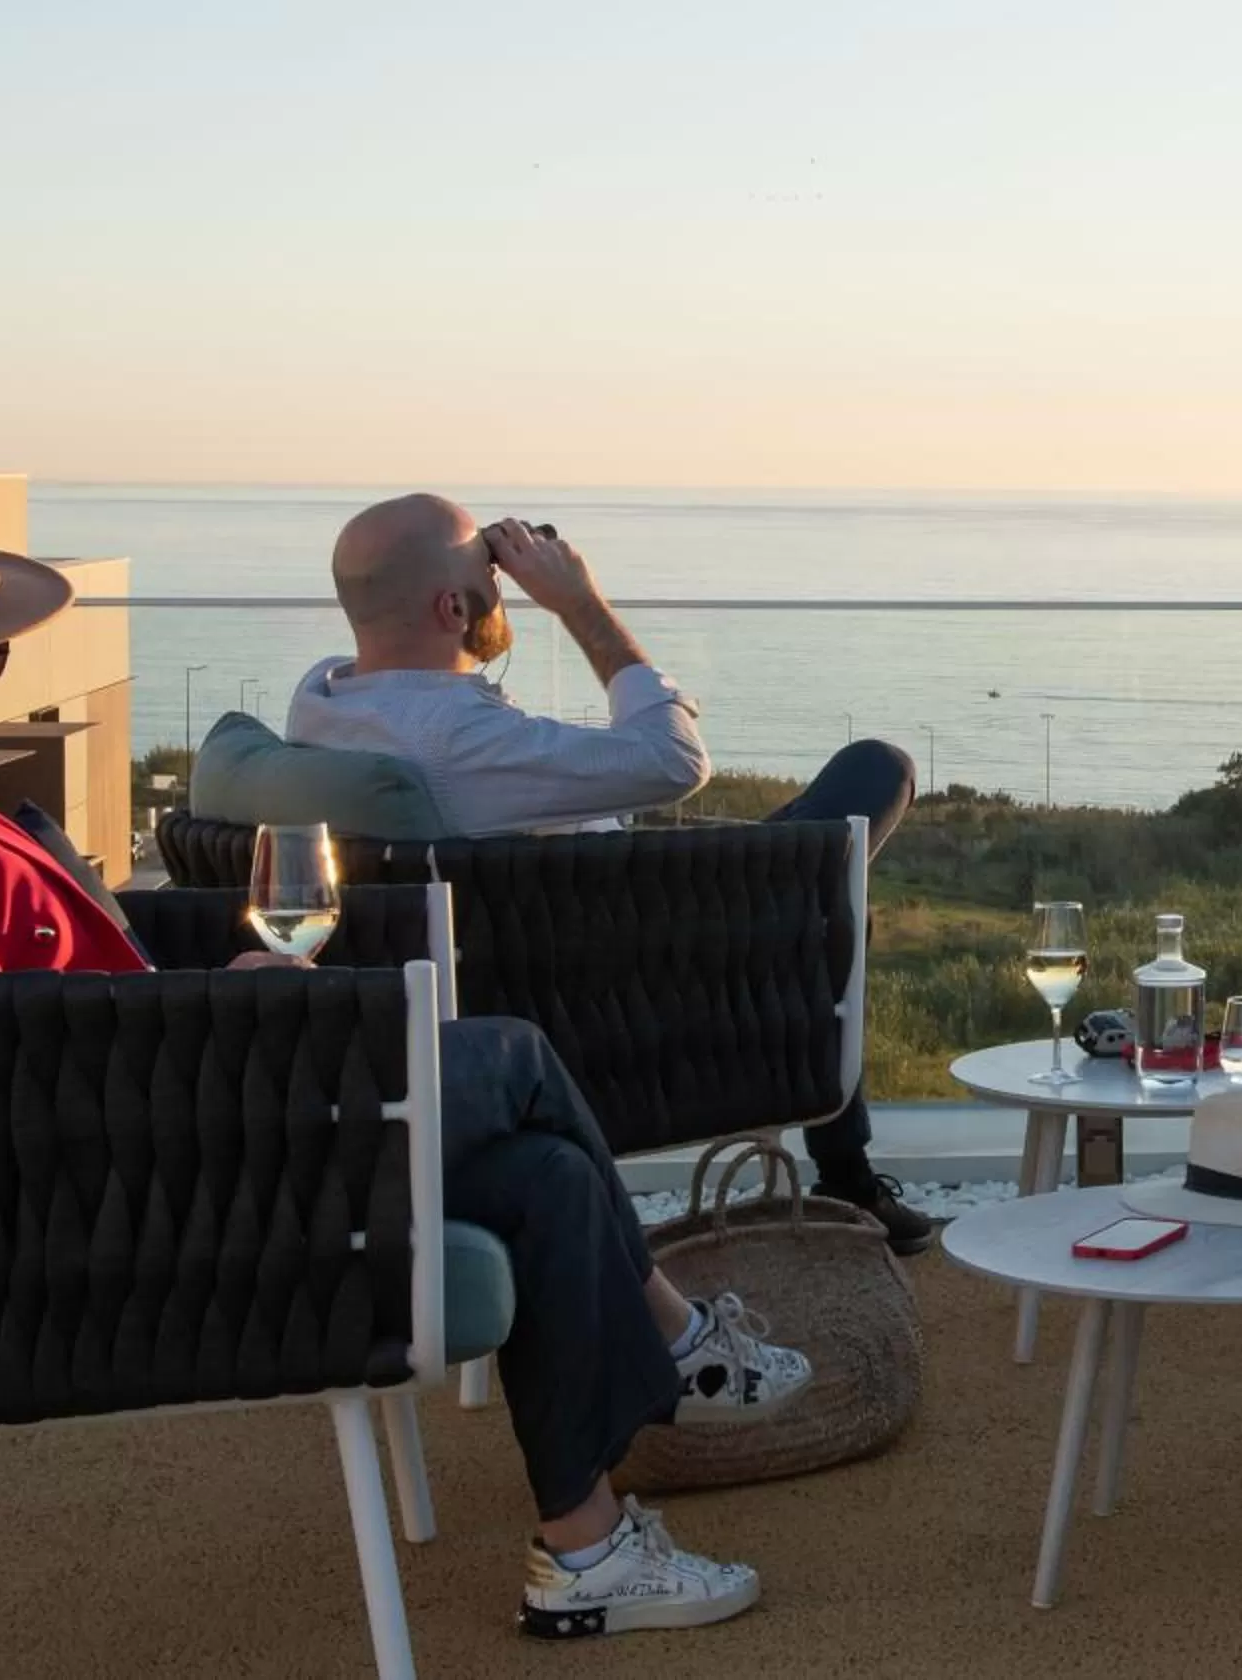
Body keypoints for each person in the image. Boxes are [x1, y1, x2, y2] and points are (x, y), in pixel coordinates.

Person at [0, 482, 805, 1640]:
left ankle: (587, 1551)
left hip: (165, 1110)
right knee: (514, 1057)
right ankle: (680, 1338)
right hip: (151, 1158)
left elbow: (14, 1012)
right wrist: (223, 1019)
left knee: (546, 1181)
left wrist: (208, 1004)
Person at [285, 493, 934, 1253]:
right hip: (634, 986)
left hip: (527, 957)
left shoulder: (320, 704)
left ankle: (848, 1171)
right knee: (868, 785)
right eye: (491, 570)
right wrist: (578, 603)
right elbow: (674, 759)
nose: (508, 579)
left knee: (823, 893)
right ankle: (846, 1171)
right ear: (453, 605)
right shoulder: (456, 736)